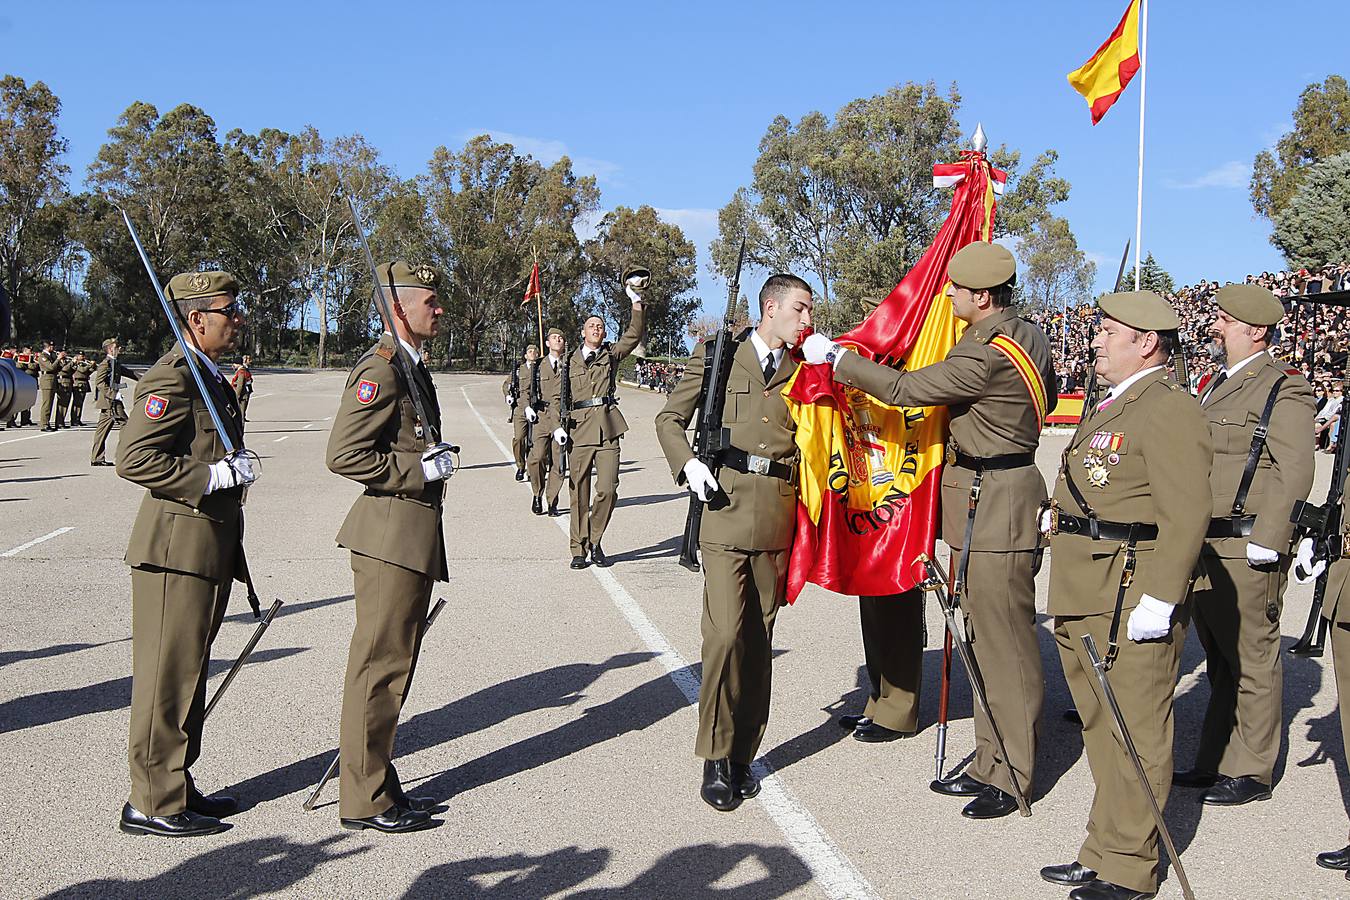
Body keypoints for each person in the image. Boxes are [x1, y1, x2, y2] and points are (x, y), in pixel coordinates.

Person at [804, 242, 1055, 818]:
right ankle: (991, 760)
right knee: (985, 640)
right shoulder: (1022, 333)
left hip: (996, 503)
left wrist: (837, 358)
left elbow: (903, 391)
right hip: (985, 498)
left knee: (1006, 646)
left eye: (958, 290)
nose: (949, 296)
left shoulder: (986, 355)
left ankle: (1012, 774)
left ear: (983, 297)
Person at [1039, 290, 1212, 900]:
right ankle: (1103, 847)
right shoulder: (1118, 402)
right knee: (1099, 725)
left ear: (1145, 342)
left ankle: (1132, 868)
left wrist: (1163, 597)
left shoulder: (1167, 407)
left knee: (1135, 728)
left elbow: (1188, 514)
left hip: (1129, 590)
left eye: (1108, 331)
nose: (1096, 339)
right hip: (1087, 583)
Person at [656, 273, 812, 811]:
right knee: (723, 636)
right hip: (723, 510)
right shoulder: (720, 355)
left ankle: (744, 750)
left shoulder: (802, 370)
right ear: (770, 308)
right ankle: (715, 755)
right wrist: (688, 464)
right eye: (799, 309)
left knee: (757, 641)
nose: (806, 320)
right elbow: (669, 418)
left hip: (777, 517)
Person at [116, 270, 254, 838]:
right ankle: (150, 800)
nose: (237, 319)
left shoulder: (209, 377)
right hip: (175, 551)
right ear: (197, 319)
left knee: (190, 674)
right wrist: (212, 475)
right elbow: (135, 458)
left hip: (207, 547)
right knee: (165, 679)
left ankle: (176, 778)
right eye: (228, 311)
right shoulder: (171, 378)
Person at [326, 260, 454, 834]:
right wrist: (417, 469)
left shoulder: (411, 367)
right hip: (388, 539)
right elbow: (344, 453)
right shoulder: (381, 370)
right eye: (430, 298)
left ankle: (377, 776)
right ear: (398, 306)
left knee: (393, 668)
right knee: (378, 669)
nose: (439, 307)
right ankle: (362, 797)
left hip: (410, 537)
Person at [1175, 284, 1314, 806]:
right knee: (1219, 659)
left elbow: (1295, 468)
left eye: (1225, 320)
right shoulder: (1217, 384)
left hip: (1246, 542)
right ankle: (1214, 759)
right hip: (1208, 541)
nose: (1215, 325)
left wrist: (1271, 538)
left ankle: (1252, 769)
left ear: (1255, 331)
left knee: (1252, 658)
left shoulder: (1283, 388)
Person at [557, 275, 646, 568]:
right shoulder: (569, 361)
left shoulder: (611, 354)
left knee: (608, 489)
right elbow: (561, 396)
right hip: (579, 430)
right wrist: (558, 425)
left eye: (601, 326)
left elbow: (633, 335)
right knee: (578, 493)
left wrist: (635, 301)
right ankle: (578, 549)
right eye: (592, 326)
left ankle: (595, 539)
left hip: (607, 429)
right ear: (583, 332)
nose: (597, 329)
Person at [526, 328, 568, 516]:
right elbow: (526, 390)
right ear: (547, 343)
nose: (558, 340)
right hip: (542, 416)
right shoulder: (538, 366)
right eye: (554, 338)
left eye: (561, 337)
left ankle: (552, 500)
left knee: (558, 462)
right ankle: (537, 493)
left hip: (561, 417)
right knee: (537, 458)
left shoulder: (569, 365)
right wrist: (527, 406)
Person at [91, 338, 140, 467]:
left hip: (113, 402)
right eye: (117, 347)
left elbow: (131, 373)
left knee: (103, 430)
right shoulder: (105, 364)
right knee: (126, 425)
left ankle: (97, 457)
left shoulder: (115, 363)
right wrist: (114, 394)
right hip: (110, 402)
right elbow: (100, 383)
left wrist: (147, 378)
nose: (119, 349)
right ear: (110, 349)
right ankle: (122, 455)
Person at [502, 345, 538, 482]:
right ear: (525, 355)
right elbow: (506, 385)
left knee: (535, 441)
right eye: (530, 351)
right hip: (520, 409)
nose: (533, 353)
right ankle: (520, 465)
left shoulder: (541, 369)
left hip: (537, 408)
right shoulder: (518, 371)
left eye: (535, 351)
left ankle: (532, 468)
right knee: (519, 439)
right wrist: (508, 396)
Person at [36, 340, 57, 431]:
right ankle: (44, 424)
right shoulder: (43, 356)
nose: (53, 348)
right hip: (47, 380)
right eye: (52, 346)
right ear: (47, 347)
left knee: (50, 403)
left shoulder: (51, 356)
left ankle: (47, 422)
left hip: (52, 380)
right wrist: (58, 359)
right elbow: (51, 367)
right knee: (46, 404)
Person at [70, 351, 92, 425]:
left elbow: (89, 371)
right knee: (77, 402)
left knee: (80, 403)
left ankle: (78, 419)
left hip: (84, 383)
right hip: (78, 383)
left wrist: (93, 366)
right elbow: (82, 370)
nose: (83, 357)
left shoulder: (84, 364)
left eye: (83, 356)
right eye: (81, 356)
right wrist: (89, 365)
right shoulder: (76, 363)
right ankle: (74, 419)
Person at [54, 348, 74, 428]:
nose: (65, 354)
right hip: (61, 381)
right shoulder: (57, 360)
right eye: (63, 353)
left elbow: (73, 370)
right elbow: (64, 369)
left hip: (68, 382)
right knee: (61, 402)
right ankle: (58, 422)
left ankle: (61, 421)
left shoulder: (67, 361)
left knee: (65, 403)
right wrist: (72, 363)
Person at [231, 354, 254, 422]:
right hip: (243, 394)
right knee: (241, 413)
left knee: (240, 415)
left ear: (237, 364)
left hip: (241, 395)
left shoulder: (241, 372)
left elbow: (240, 385)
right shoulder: (241, 371)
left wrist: (237, 395)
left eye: (234, 364)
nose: (233, 365)